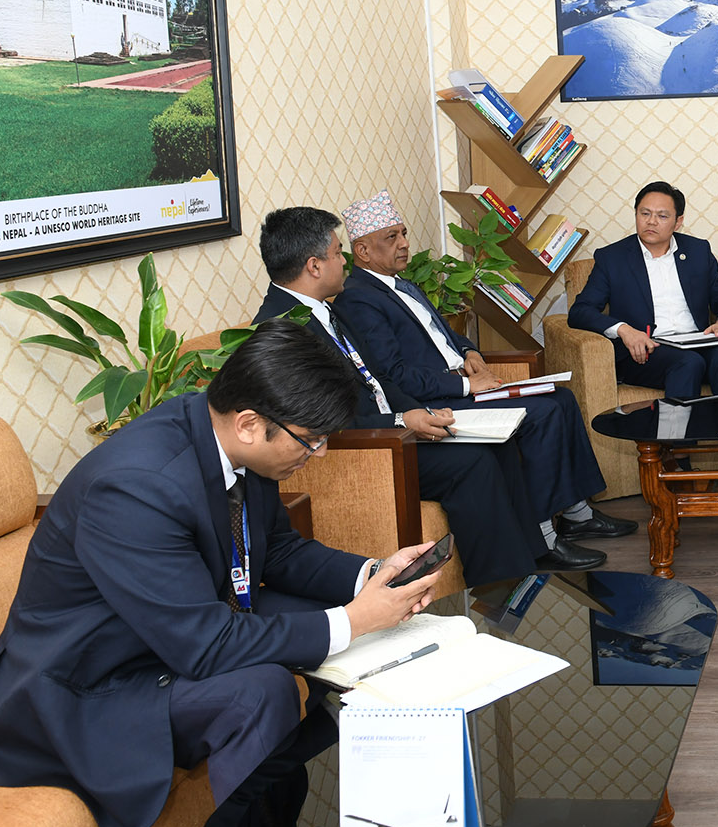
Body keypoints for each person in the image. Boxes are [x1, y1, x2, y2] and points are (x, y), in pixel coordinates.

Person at [0, 320, 445, 827]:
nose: (317, 454)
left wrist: (374, 575)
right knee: (261, 689)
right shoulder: (136, 487)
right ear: (249, 423)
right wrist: (353, 619)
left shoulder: (230, 443)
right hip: (85, 682)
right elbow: (205, 645)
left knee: (348, 627)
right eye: (310, 440)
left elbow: (278, 551)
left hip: (166, 625)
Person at [252, 205, 609, 574]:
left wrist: (418, 412)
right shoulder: (281, 330)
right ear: (314, 266)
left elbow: (379, 379)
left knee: (497, 445)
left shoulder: (326, 311)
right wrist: (401, 420)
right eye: (337, 252)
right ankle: (498, 579)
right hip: (371, 445)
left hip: (396, 425)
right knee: (473, 462)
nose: (344, 261)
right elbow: (320, 422)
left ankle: (529, 560)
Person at [331, 191, 632, 546]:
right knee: (544, 413)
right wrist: (466, 386)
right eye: (391, 237)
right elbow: (393, 374)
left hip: (461, 383)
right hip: (438, 401)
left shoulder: (403, 284)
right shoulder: (358, 298)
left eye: (404, 234)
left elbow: (442, 335)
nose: (404, 244)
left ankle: (577, 514)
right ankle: (543, 535)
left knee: (561, 399)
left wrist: (469, 350)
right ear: (363, 251)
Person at [567, 181, 718, 401]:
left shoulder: (697, 251)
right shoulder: (612, 258)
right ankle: (677, 425)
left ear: (678, 221)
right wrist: (624, 330)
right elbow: (580, 311)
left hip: (697, 342)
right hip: (647, 352)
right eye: (645, 213)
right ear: (636, 214)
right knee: (689, 363)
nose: (651, 221)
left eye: (662, 216)